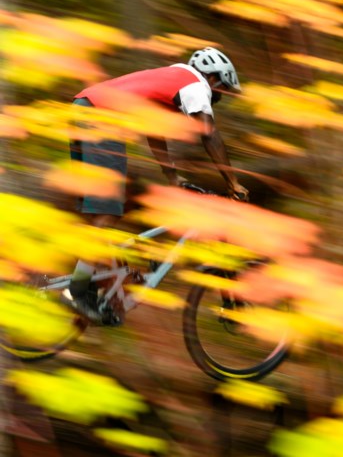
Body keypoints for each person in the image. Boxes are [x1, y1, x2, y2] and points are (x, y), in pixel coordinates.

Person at [64, 47, 250, 323]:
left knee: (109, 208)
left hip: (86, 109)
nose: (219, 97)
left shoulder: (172, 80)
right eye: (221, 90)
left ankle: (93, 275)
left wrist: (173, 178)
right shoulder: (195, 86)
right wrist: (233, 183)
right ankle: (77, 290)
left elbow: (155, 134)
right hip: (100, 118)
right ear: (212, 79)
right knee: (107, 212)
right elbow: (209, 135)